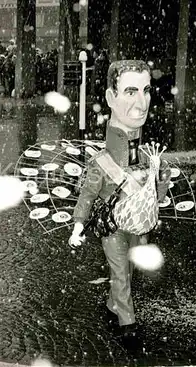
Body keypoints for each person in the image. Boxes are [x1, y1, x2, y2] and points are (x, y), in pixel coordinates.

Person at [68, 60, 171, 346]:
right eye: (130, 91)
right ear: (111, 98)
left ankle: (114, 303)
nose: (142, 102)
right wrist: (78, 227)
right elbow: (87, 195)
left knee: (131, 268)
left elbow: (159, 195)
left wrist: (158, 181)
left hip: (139, 224)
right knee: (120, 271)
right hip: (112, 225)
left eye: (146, 90)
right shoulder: (101, 163)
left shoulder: (151, 156)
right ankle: (128, 324)